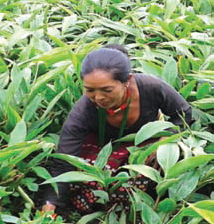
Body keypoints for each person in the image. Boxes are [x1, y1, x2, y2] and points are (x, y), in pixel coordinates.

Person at [42, 46, 192, 213]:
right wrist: (50, 206)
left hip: (143, 145)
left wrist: (166, 140)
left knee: (159, 166)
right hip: (103, 147)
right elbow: (65, 161)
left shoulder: (152, 88)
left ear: (127, 80)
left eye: (107, 90)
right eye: (90, 90)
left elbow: (183, 114)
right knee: (87, 177)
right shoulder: (83, 111)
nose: (98, 98)